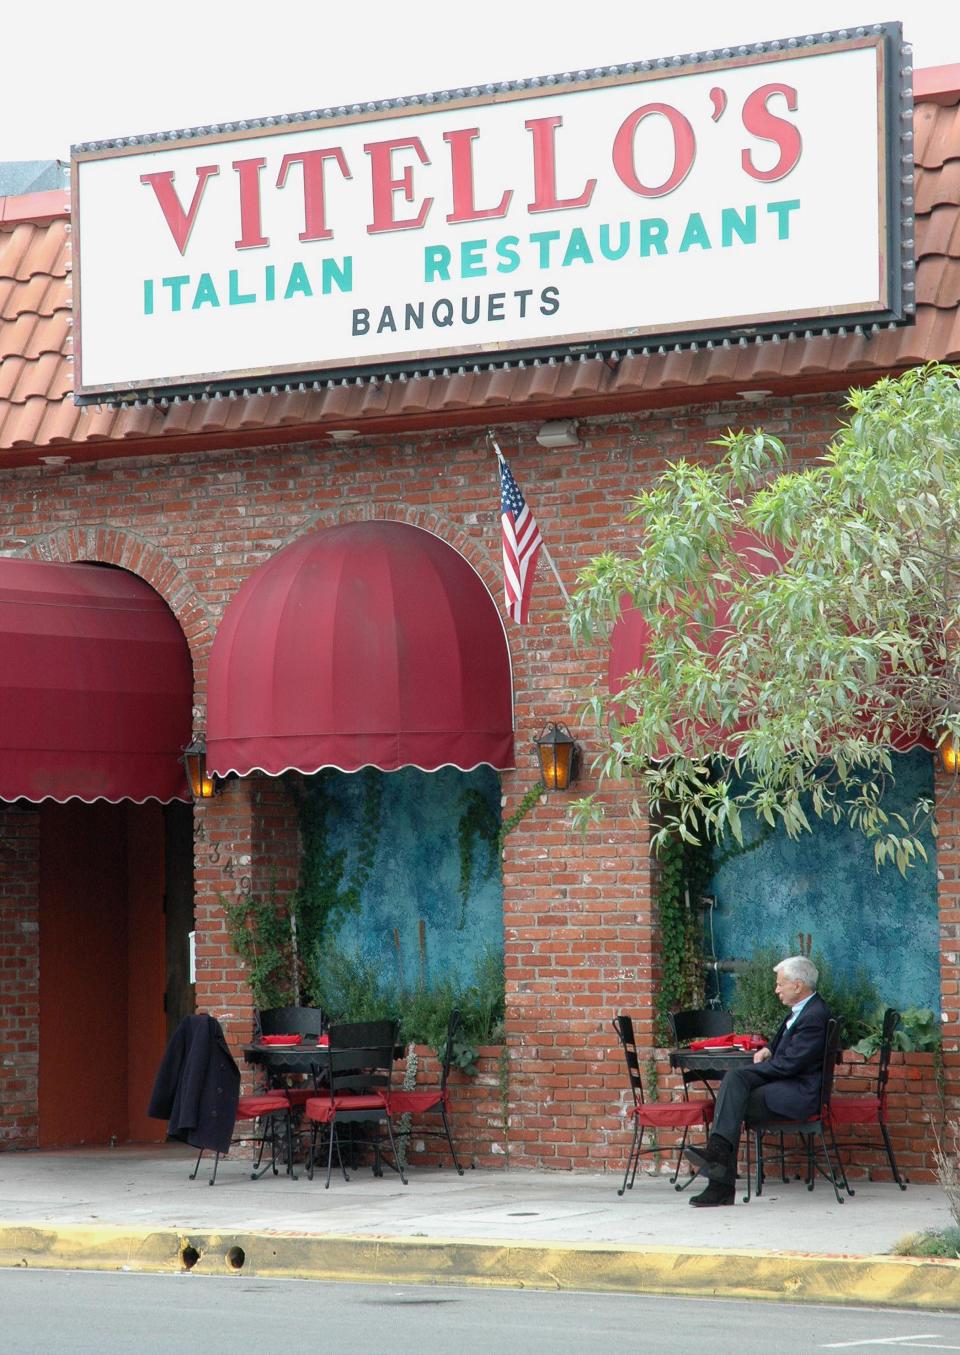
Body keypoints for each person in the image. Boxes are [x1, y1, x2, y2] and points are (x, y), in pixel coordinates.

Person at [683, 954, 830, 1207]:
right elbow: (784, 1043)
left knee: (734, 1088)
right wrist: (769, 1050)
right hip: (788, 1086)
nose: (775, 989)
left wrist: (748, 1072)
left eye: (780, 984)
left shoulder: (814, 1015)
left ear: (797, 985)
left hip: (800, 1094)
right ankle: (718, 1166)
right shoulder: (802, 1011)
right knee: (734, 1095)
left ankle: (719, 1180)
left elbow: (791, 1064)